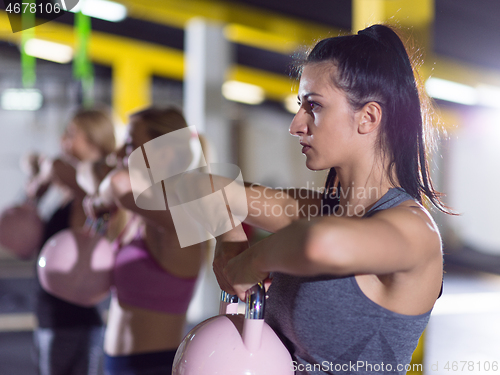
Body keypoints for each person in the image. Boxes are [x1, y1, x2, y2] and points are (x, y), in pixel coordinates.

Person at [213, 24, 450, 375]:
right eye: (300, 106)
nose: (296, 125)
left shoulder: (414, 231)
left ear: (368, 117)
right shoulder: (313, 212)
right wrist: (229, 247)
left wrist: (252, 262)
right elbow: (203, 190)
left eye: (314, 106)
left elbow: (320, 243)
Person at [87, 107, 207, 375]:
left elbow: (116, 182)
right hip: (115, 364)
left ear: (164, 152)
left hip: (153, 367)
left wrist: (98, 200)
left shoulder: (182, 215)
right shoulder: (137, 216)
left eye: (129, 143)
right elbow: (94, 172)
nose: (119, 153)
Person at [27, 107, 116, 375]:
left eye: (71, 134)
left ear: (93, 139)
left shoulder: (87, 190)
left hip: (69, 321)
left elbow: (53, 166)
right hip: (58, 317)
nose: (63, 142)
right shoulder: (77, 189)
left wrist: (42, 172)